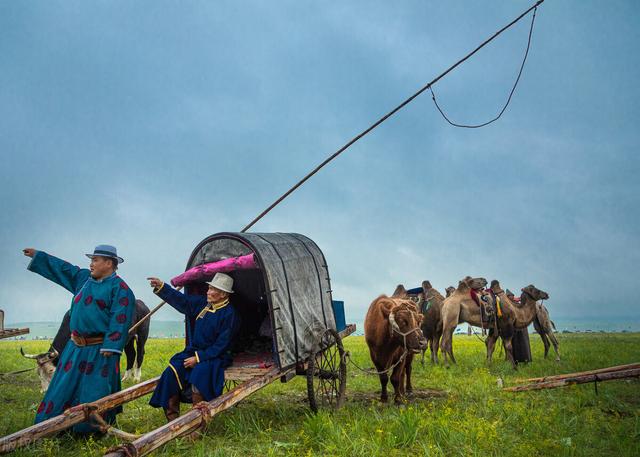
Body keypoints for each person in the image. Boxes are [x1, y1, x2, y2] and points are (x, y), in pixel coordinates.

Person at [23, 245, 135, 432]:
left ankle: (89, 430)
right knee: (62, 388)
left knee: (94, 392)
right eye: (91, 260)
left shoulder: (121, 289)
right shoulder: (83, 279)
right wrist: (39, 256)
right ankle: (53, 425)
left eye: (95, 260)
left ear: (109, 263)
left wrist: (111, 346)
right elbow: (63, 268)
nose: (91, 264)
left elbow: (120, 319)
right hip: (74, 348)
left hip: (99, 351)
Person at [147, 272, 239, 422]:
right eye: (209, 288)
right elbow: (183, 301)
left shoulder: (230, 315)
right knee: (172, 370)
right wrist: (163, 287)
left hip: (216, 355)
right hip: (195, 351)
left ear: (223, 294)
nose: (208, 292)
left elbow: (222, 345)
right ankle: (173, 420)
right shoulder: (203, 304)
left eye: (212, 290)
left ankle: (196, 421)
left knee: (200, 373)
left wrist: (198, 358)